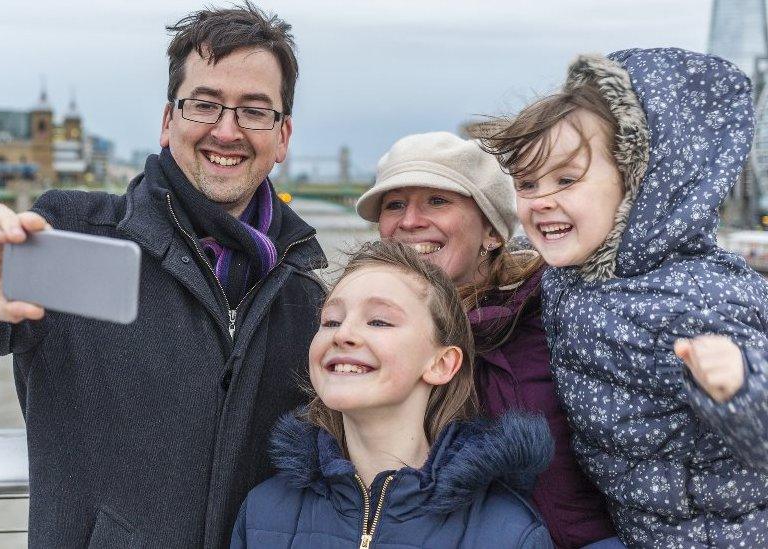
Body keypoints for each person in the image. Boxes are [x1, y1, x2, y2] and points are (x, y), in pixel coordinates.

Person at [0, 3, 327, 548]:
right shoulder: (74, 235)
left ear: (283, 136)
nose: (226, 130)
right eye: (205, 104)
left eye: (254, 111)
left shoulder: (305, 294)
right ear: (168, 122)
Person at [478, 48, 768, 547]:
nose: (541, 199)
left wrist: (740, 387)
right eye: (527, 184)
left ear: (638, 186)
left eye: (567, 179)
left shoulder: (694, 295)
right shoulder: (575, 274)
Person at [355, 132, 618, 548]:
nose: (409, 221)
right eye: (395, 204)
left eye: (438, 201)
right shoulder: (358, 335)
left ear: (493, 232)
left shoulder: (554, 321)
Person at [230, 241, 554, 548]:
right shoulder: (263, 511)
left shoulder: (509, 532)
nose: (343, 334)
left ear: (442, 363)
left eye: (379, 321)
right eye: (330, 321)